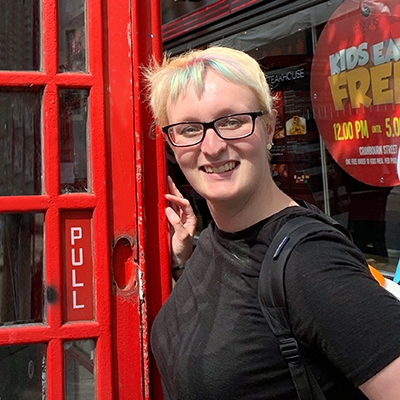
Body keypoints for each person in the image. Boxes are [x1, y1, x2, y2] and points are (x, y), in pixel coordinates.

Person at [145, 46, 400, 399]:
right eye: (189, 129)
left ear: (269, 126)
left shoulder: (311, 261)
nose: (213, 146)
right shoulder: (219, 239)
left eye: (232, 121)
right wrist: (183, 261)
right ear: (171, 144)